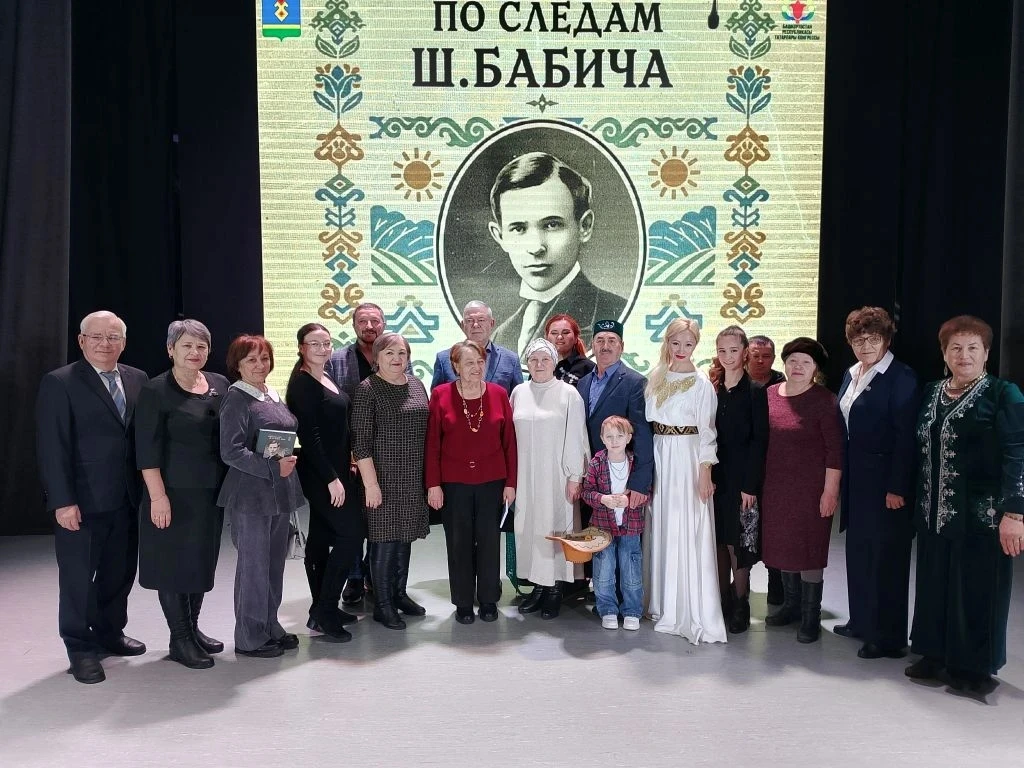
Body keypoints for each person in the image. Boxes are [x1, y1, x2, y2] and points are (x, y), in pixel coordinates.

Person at [906, 315, 1024, 697]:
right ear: (944, 353)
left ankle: (973, 667)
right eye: (955, 347)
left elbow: (1018, 453)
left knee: (977, 589)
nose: (964, 355)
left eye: (973, 347)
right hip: (934, 511)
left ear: (986, 353)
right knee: (934, 584)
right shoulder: (931, 392)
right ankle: (934, 654)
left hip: (983, 516)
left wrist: (1015, 513)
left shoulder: (1004, 394)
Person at [36, 311, 149, 684]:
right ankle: (79, 647)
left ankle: (109, 633)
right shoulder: (60, 382)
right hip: (81, 502)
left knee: (119, 573)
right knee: (78, 579)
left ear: (124, 343)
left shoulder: (137, 378)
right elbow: (52, 447)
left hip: (127, 498)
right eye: (97, 336)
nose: (105, 343)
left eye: (113, 337)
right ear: (81, 341)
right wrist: (62, 501)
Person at [135, 319, 228, 670]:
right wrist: (157, 497)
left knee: (200, 563)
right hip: (171, 494)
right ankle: (179, 638)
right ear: (170, 349)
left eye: (201, 346)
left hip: (210, 493)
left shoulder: (219, 384)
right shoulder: (155, 390)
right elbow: (146, 450)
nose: (194, 352)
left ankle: (193, 629)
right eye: (187, 345)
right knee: (173, 566)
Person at [834, 307, 919, 659]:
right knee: (859, 552)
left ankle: (887, 637)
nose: (865, 346)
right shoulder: (851, 372)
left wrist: (897, 486)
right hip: (857, 480)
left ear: (886, 339)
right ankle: (861, 621)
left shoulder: (901, 377)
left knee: (886, 559)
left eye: (873, 339)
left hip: (886, 483)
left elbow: (906, 438)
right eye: (858, 340)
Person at [487, 152, 627, 358]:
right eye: (518, 228)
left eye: (552, 225)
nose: (536, 247)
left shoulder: (617, 315)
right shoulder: (501, 335)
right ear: (499, 236)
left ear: (584, 226)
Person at [218, 335, 304, 658]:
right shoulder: (236, 398)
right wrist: (272, 467)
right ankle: (250, 637)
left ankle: (270, 625)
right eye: (251, 360)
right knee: (253, 568)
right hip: (251, 496)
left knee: (273, 566)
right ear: (237, 365)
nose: (259, 365)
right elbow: (230, 451)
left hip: (278, 493)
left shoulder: (271, 394)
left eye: (264, 358)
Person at [644, 318, 726, 643]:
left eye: (688, 344)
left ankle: (686, 608)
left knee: (685, 525)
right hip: (660, 453)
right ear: (667, 342)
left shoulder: (701, 383)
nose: (681, 349)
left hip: (687, 457)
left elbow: (708, 431)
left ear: (696, 346)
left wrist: (705, 472)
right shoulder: (656, 376)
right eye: (676, 343)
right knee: (662, 524)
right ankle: (662, 602)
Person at [427, 340, 518, 624]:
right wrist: (433, 484)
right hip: (454, 484)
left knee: (489, 542)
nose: (476, 367)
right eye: (469, 363)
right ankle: (463, 602)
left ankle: (489, 599)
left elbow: (510, 443)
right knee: (459, 543)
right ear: (455, 366)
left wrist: (511, 483)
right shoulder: (441, 395)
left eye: (480, 362)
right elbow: (432, 444)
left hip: (493, 481)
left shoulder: (499, 394)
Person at [287, 322, 367, 641]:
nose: (322, 349)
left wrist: (348, 464)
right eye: (315, 343)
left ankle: (321, 609)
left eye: (327, 343)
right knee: (351, 535)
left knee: (320, 539)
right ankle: (325, 609)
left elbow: (338, 431)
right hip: (321, 475)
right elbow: (310, 438)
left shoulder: (326, 376)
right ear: (301, 348)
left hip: (338, 471)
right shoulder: (302, 384)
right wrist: (332, 478)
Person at [761, 338, 844, 643]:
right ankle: (791, 606)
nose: (798, 367)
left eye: (805, 362)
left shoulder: (825, 400)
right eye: (793, 360)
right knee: (782, 547)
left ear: (815, 369)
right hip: (775, 488)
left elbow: (835, 451)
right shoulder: (769, 395)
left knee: (809, 549)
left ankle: (811, 616)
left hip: (811, 490)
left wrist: (830, 492)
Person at [352, 332, 430, 630]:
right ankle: (382, 605)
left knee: (404, 538)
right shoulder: (367, 389)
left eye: (402, 353)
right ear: (376, 358)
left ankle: (399, 594)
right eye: (389, 353)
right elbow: (361, 444)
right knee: (384, 541)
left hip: (412, 478)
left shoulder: (417, 385)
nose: (397, 359)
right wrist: (371, 485)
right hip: (381, 479)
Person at [509, 338, 589, 619]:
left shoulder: (568, 394)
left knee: (554, 528)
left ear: (554, 362)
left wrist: (575, 476)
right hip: (525, 475)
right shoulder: (519, 392)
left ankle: (555, 588)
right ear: (527, 363)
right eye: (533, 359)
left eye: (545, 359)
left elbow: (577, 436)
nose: (539, 364)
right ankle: (538, 586)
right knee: (529, 528)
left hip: (557, 475)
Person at [327, 302, 385, 606]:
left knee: (379, 515)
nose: (369, 326)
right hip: (348, 452)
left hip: (385, 451)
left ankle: (376, 574)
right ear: (353, 326)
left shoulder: (394, 356)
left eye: (375, 320)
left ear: (384, 324)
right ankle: (354, 577)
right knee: (353, 519)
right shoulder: (336, 360)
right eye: (363, 321)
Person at [711, 326, 768, 635]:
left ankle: (741, 602)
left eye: (733, 350)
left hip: (742, 480)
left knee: (738, 543)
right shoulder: (712, 389)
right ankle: (721, 600)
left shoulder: (756, 391)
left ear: (745, 352)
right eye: (722, 350)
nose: (728, 356)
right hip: (714, 477)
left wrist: (750, 485)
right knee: (718, 541)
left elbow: (760, 441)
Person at [583, 415, 648, 631]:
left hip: (631, 527)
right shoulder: (597, 462)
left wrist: (630, 500)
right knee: (603, 569)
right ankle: (607, 609)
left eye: (620, 436)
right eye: (609, 437)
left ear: (629, 438)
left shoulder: (636, 464)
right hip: (602, 527)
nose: (614, 441)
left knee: (631, 569)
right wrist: (603, 499)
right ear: (602, 438)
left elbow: (647, 492)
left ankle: (632, 610)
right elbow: (587, 492)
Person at [746, 334, 785, 606]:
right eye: (755, 355)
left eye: (766, 356)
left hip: (775, 469)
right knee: (743, 530)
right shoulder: (734, 382)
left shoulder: (783, 386)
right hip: (743, 468)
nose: (760, 361)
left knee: (774, 530)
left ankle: (778, 587)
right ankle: (740, 589)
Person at [431, 300, 523, 395]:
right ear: (462, 325)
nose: (475, 325)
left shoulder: (511, 359)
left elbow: (519, 398)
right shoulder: (444, 359)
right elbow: (436, 398)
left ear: (492, 323)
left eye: (481, 320)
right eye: (469, 321)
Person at [546, 313, 595, 387]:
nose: (559, 337)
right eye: (554, 333)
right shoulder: (539, 365)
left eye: (565, 332)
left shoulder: (588, 368)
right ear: (546, 338)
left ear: (575, 338)